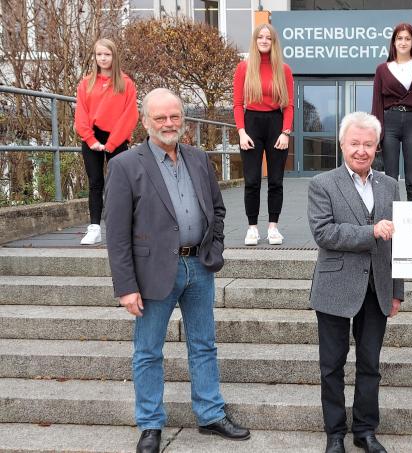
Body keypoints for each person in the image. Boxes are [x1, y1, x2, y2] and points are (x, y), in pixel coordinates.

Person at [104, 88, 250, 453]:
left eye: (175, 117)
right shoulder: (125, 165)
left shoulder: (199, 158)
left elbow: (217, 210)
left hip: (198, 266)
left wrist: (212, 247)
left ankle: (210, 413)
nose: (169, 124)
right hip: (153, 272)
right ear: (146, 122)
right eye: (160, 118)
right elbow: (117, 233)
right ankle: (151, 424)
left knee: (204, 345)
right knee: (148, 351)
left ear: (183, 119)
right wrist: (125, 286)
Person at [307, 111, 404, 453]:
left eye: (368, 144)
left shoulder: (390, 185)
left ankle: (365, 430)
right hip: (335, 287)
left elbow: (399, 242)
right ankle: (335, 433)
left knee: (370, 365)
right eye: (354, 143)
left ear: (377, 147)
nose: (361, 150)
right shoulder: (323, 184)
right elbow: (324, 232)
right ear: (342, 144)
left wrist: (397, 292)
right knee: (331, 365)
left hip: (377, 286)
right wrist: (370, 232)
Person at [233, 23, 295, 246]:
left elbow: (288, 106)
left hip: (275, 123)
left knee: (276, 181)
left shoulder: (284, 70)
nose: (264, 41)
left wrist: (285, 132)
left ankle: (273, 228)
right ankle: (252, 228)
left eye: (268, 38)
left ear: (274, 42)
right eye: (260, 37)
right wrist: (241, 132)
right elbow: (238, 104)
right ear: (255, 40)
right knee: (251, 180)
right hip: (251, 124)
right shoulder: (244, 68)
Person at [74, 38, 138, 245]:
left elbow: (130, 115)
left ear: (114, 56)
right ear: (94, 57)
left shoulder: (126, 83)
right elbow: (81, 113)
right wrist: (90, 139)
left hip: (116, 138)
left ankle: (121, 227)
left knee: (120, 184)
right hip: (91, 137)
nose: (103, 58)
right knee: (95, 183)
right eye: (99, 54)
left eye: (107, 54)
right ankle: (94, 228)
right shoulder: (86, 83)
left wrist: (112, 144)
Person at [371, 22, 412, 201]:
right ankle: (390, 223)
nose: (403, 42)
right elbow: (377, 103)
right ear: (393, 42)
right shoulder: (382, 69)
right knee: (390, 179)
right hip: (389, 123)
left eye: (407, 38)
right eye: (399, 38)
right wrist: (377, 134)